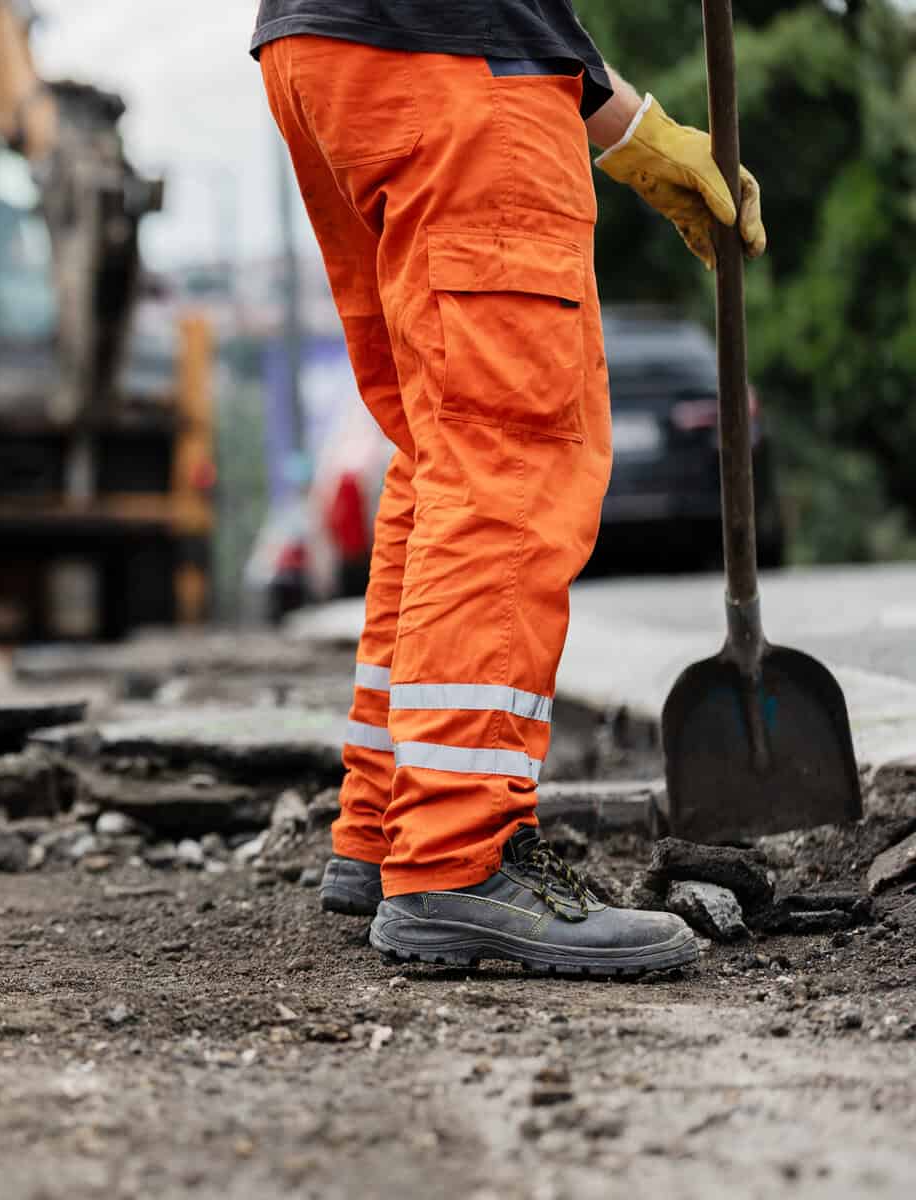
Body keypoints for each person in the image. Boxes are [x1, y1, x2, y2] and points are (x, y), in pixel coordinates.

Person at [254, 2, 766, 975]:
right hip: (445, 67)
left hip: (324, 52)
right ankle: (459, 859)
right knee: (507, 450)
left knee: (443, 441)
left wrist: (633, 128)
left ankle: (390, 822)